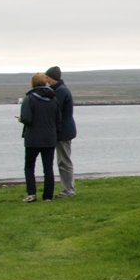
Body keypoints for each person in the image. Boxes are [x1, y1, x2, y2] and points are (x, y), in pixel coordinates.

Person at [18, 73, 62, 202]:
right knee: (48, 168)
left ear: (33, 83)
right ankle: (48, 196)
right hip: (49, 137)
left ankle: (31, 193)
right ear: (45, 83)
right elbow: (58, 119)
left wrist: (21, 119)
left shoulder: (29, 99)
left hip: (33, 138)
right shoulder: (53, 99)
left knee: (29, 166)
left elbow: (27, 119)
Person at [44, 65, 78, 197]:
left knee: (64, 161)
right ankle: (68, 189)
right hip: (62, 130)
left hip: (63, 131)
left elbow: (55, 111)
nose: (46, 80)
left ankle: (69, 190)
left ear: (53, 78)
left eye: (48, 77)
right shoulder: (59, 90)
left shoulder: (61, 91)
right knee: (63, 161)